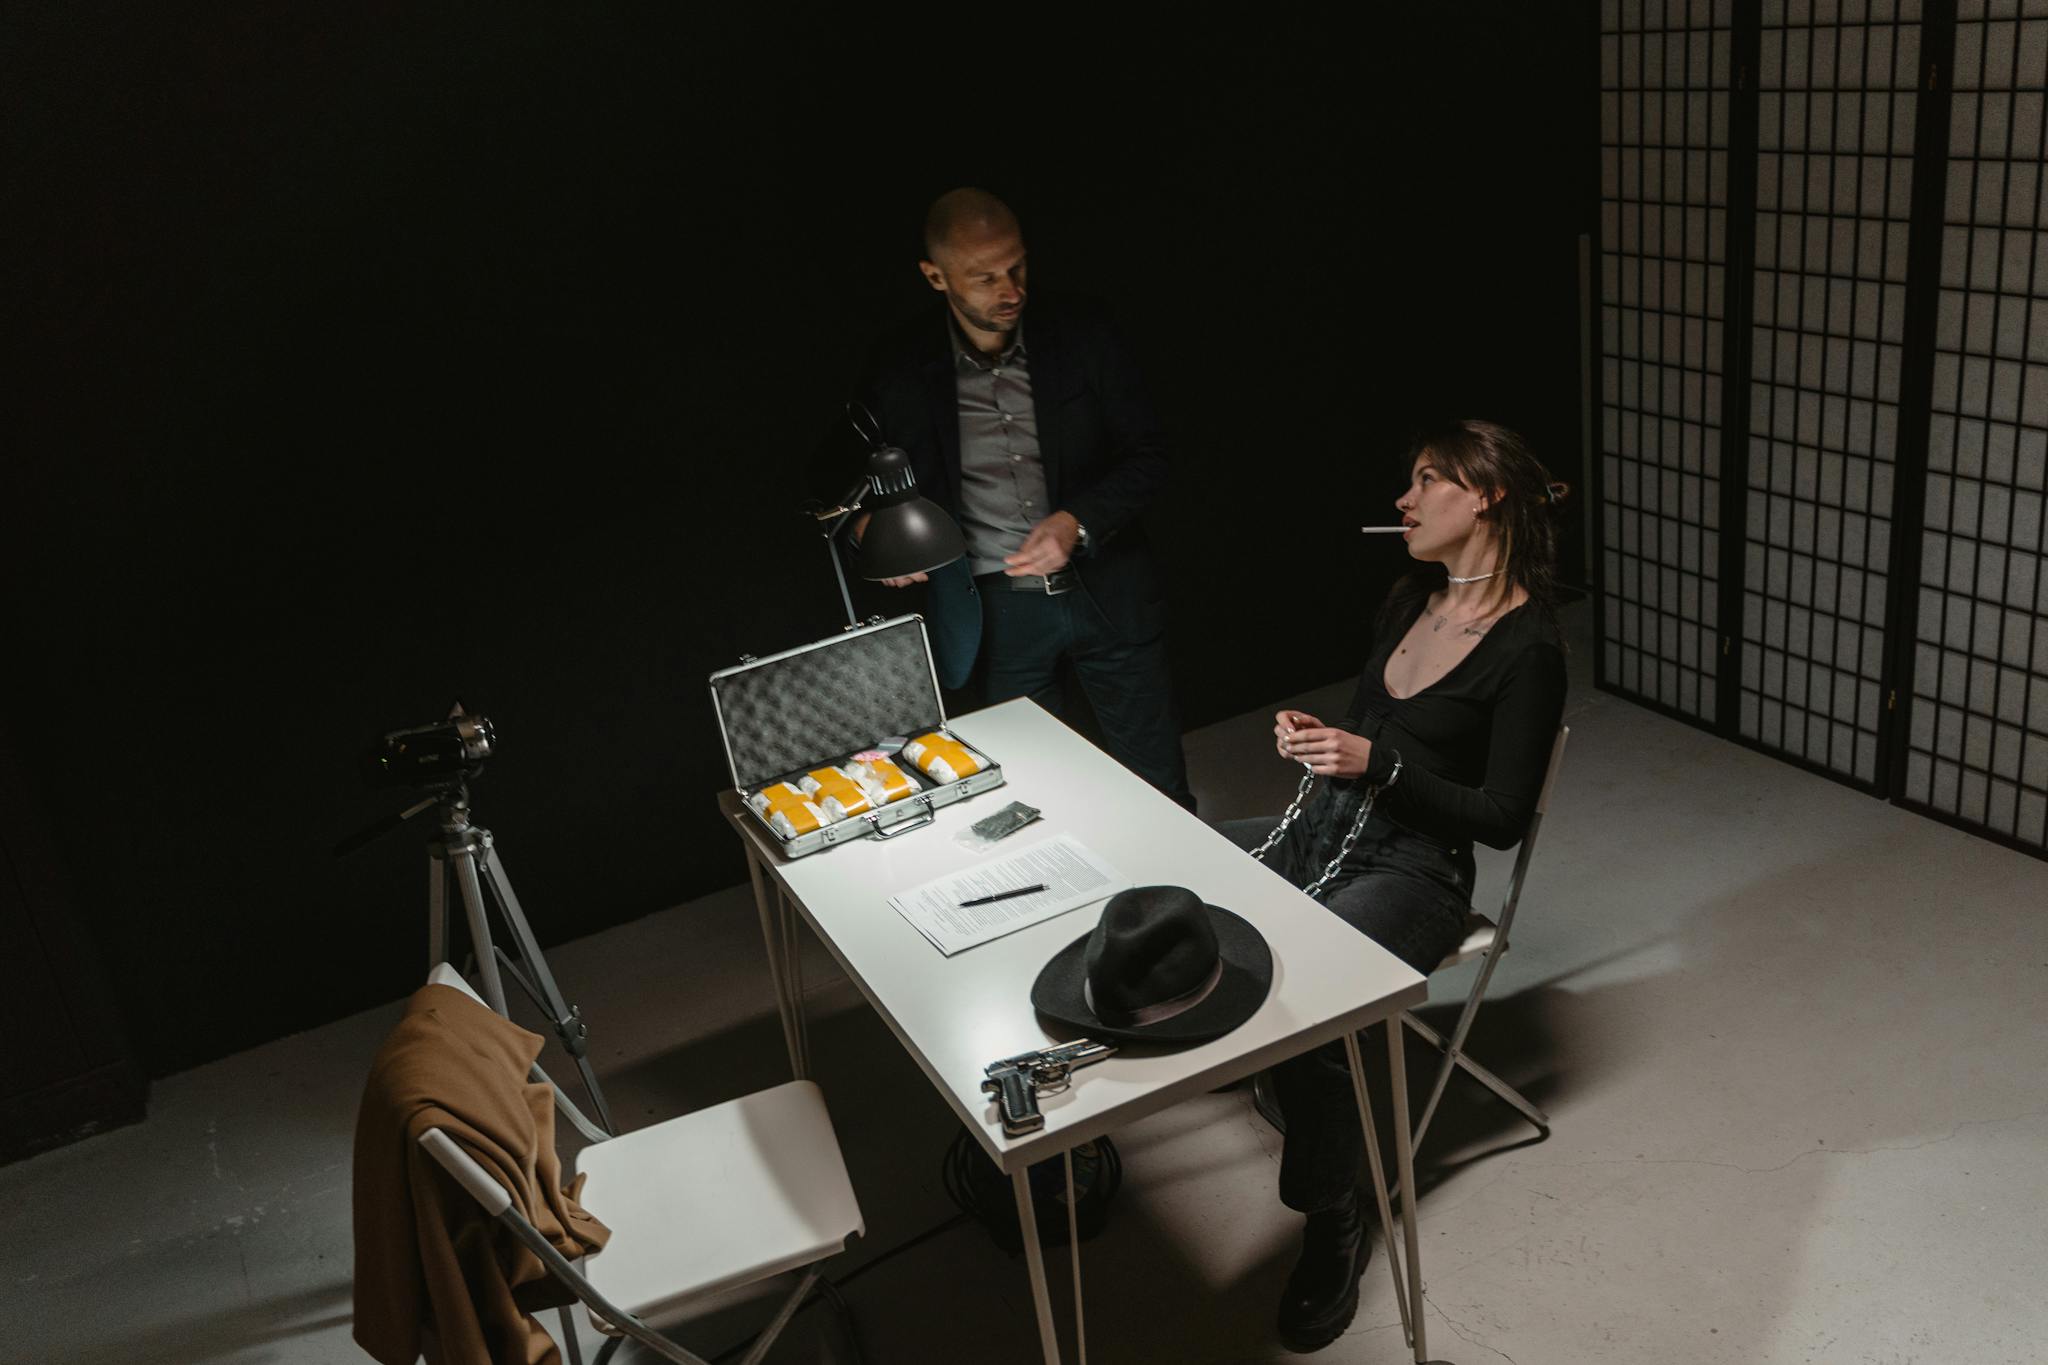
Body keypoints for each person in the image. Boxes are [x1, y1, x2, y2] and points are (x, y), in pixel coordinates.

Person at [1217, 418, 1570, 1353]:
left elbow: (1497, 816)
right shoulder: (1408, 598)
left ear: (1485, 494)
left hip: (1419, 867)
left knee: (1322, 1000)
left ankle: (1334, 1218)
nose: (1403, 500)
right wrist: (1319, 740)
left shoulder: (1529, 649)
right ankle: (1273, 1071)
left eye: (1424, 481)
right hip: (1335, 824)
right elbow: (1380, 737)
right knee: (1194, 869)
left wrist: (1374, 764)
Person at [838, 187, 1194, 809]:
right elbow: (839, 485)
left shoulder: (1083, 333)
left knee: (1160, 791)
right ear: (935, 276)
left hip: (1108, 592)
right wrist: (869, 532)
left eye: (1017, 266)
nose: (1011, 289)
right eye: (985, 277)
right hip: (995, 617)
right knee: (1032, 801)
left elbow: (1151, 455)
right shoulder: (900, 367)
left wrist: (1077, 521)